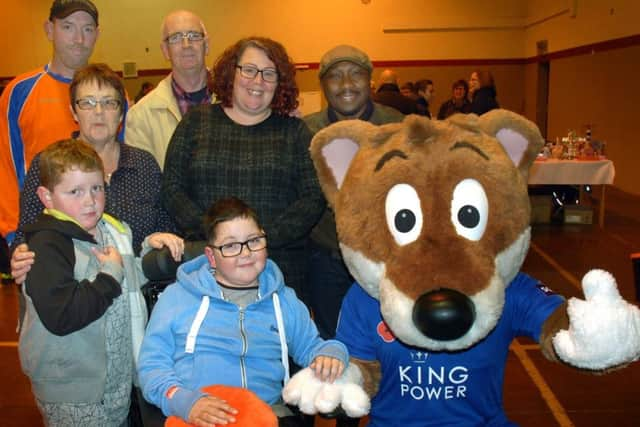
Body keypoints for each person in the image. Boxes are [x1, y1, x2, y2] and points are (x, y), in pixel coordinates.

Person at [138, 197, 348, 426]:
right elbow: (152, 368)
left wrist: (333, 353)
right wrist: (184, 401)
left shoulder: (283, 299)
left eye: (253, 241)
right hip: (200, 412)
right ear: (211, 257)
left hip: (268, 413)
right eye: (230, 246)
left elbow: (313, 348)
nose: (245, 253)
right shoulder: (177, 298)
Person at [18, 139, 180, 426]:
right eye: (74, 191)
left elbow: (127, 279)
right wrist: (108, 276)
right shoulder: (47, 245)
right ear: (46, 196)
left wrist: (148, 249)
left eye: (96, 188)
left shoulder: (111, 229)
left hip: (113, 381)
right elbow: (62, 316)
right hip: (73, 390)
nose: (89, 200)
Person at [162, 37, 325, 299]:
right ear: (231, 72)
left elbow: (313, 198)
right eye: (249, 70)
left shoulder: (295, 133)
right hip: (207, 265)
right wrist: (219, 238)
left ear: (280, 83)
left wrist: (257, 241)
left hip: (279, 270)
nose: (258, 81)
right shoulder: (195, 123)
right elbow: (172, 189)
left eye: (269, 73)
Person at [304, 45, 404, 427]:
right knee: (334, 345)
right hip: (327, 256)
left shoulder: (395, 124)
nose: (347, 84)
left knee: (387, 344)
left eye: (356, 74)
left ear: (370, 80)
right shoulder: (308, 129)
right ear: (323, 85)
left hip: (386, 261)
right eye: (335, 76)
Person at [11, 64, 180, 289]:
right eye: (88, 103)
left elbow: (166, 227)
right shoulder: (48, 164)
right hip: (71, 297)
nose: (99, 112)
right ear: (73, 111)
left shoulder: (144, 164)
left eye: (109, 103)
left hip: (138, 293)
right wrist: (21, 255)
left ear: (122, 112)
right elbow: (28, 232)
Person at [0, 0, 100, 245]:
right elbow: (5, 169)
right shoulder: (19, 93)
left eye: (87, 29)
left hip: (97, 233)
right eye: (68, 27)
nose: (79, 39)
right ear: (49, 30)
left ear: (97, 35)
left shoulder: (112, 97)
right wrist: (16, 236)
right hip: (38, 233)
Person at [125, 10, 214, 170]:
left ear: (206, 45)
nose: (186, 45)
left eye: (194, 36)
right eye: (176, 38)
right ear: (165, 50)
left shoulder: (236, 101)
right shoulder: (140, 116)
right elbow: (144, 185)